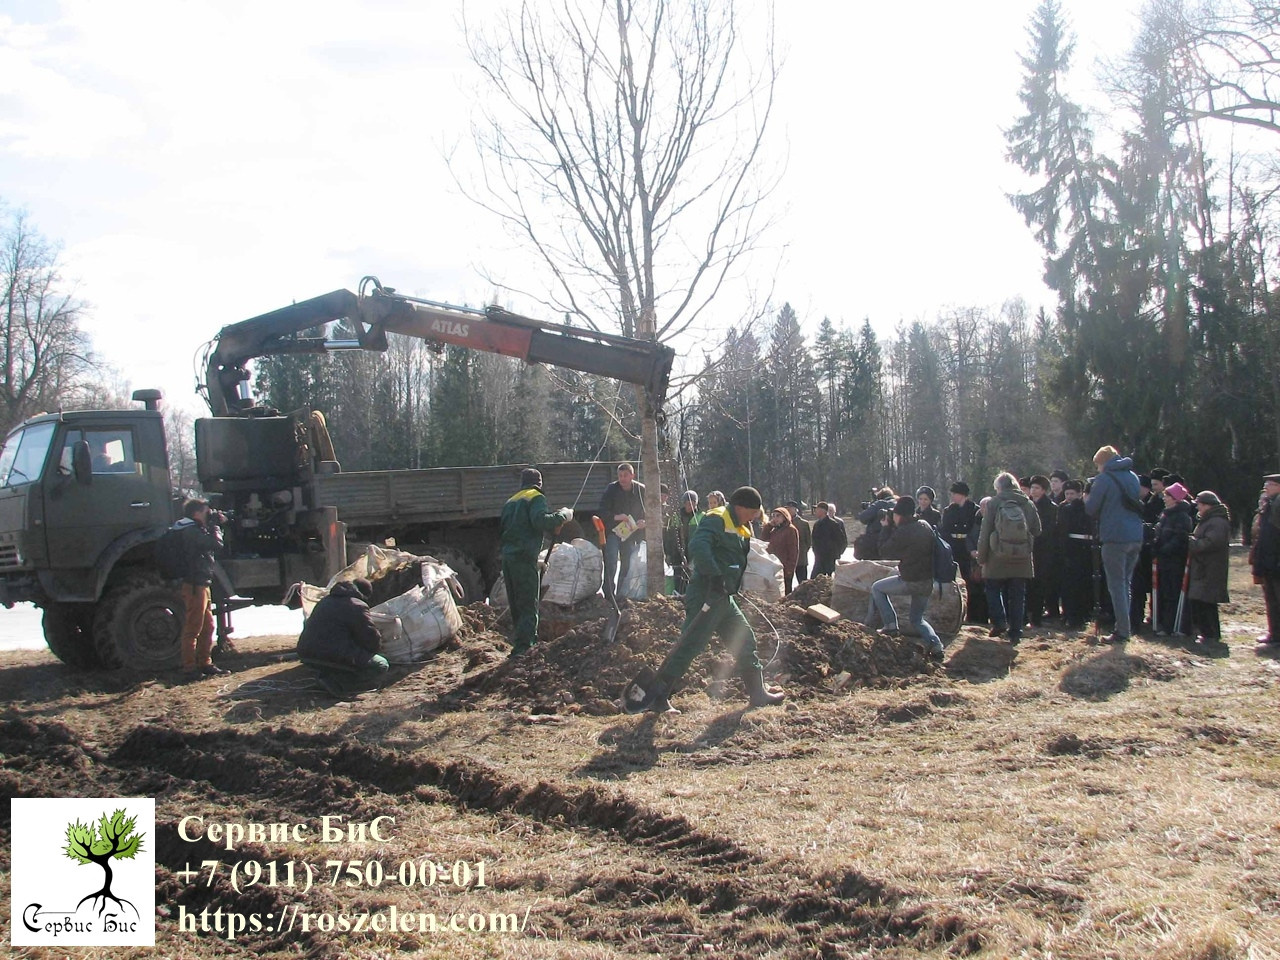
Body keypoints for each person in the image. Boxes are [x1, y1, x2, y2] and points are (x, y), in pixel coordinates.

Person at [643, 486, 784, 711]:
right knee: (690, 644)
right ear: (740, 507)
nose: (753, 518)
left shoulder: (739, 526)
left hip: (724, 597)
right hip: (706, 594)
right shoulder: (716, 519)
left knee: (744, 638)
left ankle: (758, 694)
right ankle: (658, 696)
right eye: (751, 512)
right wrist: (716, 576)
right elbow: (698, 546)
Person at [500, 468, 574, 657]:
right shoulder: (536, 497)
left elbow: (514, 529)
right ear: (539, 483)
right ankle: (525, 648)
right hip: (524, 559)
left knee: (517, 605)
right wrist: (563, 515)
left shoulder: (511, 501)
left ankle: (519, 643)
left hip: (509, 558)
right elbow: (540, 521)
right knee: (528, 604)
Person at [1084, 445, 1145, 644]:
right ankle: (1125, 626)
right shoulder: (1133, 477)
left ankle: (1122, 631)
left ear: (1103, 463)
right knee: (1125, 583)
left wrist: (1087, 498)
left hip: (1114, 536)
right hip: (1135, 535)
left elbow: (1092, 508)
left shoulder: (1104, 479)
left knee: (1116, 585)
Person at [871, 496, 945, 659]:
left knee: (877, 588)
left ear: (899, 515)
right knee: (917, 619)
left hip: (910, 581)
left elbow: (884, 551)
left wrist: (885, 528)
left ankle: (890, 625)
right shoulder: (924, 525)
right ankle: (936, 645)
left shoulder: (904, 531)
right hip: (927, 581)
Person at [977, 472, 1041, 647]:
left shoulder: (994, 503)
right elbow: (1037, 530)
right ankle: (1016, 632)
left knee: (992, 588)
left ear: (999, 487)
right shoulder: (1027, 503)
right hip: (1022, 556)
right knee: (1017, 595)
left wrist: (981, 557)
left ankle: (999, 622)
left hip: (996, 555)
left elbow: (985, 532)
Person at [296, 578, 390, 696]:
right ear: (364, 595)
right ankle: (341, 685)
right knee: (381, 664)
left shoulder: (325, 601)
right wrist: (375, 650)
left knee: (339, 658)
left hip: (306, 652)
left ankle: (326, 677)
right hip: (330, 654)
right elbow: (370, 636)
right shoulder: (357, 606)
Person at [172, 498, 229, 677]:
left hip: (202, 582)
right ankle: (189, 668)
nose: (209, 515)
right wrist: (216, 526)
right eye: (206, 512)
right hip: (194, 584)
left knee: (208, 626)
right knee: (193, 627)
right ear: (196, 513)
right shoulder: (189, 531)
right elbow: (216, 544)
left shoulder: (192, 529)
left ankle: (205, 663)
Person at [1186, 491, 1231, 652]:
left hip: (1210, 568)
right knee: (1201, 601)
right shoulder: (1208, 520)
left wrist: (1191, 542)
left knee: (1206, 602)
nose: (1197, 507)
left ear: (1207, 505)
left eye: (1199, 504)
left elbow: (1211, 543)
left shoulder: (1217, 522)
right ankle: (1206, 633)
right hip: (1203, 567)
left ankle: (1210, 634)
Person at [1153, 481, 1196, 635]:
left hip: (1175, 561)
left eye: (1167, 496)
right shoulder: (1165, 514)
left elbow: (1180, 539)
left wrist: (1164, 550)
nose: (1164, 498)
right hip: (1164, 560)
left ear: (1176, 499)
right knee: (1164, 592)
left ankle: (1173, 626)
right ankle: (1164, 623)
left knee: (1173, 592)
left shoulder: (1182, 517)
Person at [599, 463, 646, 601]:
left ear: (632, 476)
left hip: (631, 534)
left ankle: (621, 593)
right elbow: (602, 510)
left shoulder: (641, 490)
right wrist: (617, 517)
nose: (622, 479)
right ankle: (609, 595)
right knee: (611, 561)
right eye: (620, 476)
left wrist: (644, 522)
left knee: (627, 563)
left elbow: (649, 510)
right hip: (613, 532)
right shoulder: (611, 489)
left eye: (625, 475)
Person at [940, 481, 984, 623]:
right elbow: (945, 530)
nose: (952, 496)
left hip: (968, 548)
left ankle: (975, 614)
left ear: (962, 494)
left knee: (972, 581)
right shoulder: (949, 510)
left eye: (955, 493)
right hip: (954, 546)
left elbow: (976, 530)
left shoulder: (974, 510)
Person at [1058, 480, 1093, 629]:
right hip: (1073, 548)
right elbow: (1062, 531)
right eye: (1067, 493)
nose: (1069, 496)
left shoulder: (1089, 508)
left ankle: (1083, 614)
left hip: (1087, 548)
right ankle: (1071, 615)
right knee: (1071, 584)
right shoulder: (1065, 509)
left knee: (1084, 583)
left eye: (1072, 493)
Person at [1026, 475, 1060, 627]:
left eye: (1037, 488)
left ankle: (1037, 617)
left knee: (1040, 583)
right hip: (1028, 548)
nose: (1033, 490)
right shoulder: (1027, 505)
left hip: (1044, 550)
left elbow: (1049, 530)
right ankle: (1029, 615)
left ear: (1044, 490)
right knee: (1029, 583)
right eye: (1032, 487)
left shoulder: (1051, 508)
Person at [1252, 473, 1280, 650]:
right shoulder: (1268, 504)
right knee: (1271, 599)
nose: (1265, 488)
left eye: (1269, 484)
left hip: (1276, 560)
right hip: (1268, 559)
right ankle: (1274, 634)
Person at [664, 491, 701, 595]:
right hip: (677, 553)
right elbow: (670, 537)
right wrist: (669, 554)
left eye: (693, 503)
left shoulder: (701, 516)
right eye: (688, 503)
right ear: (684, 503)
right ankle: (679, 594)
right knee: (678, 577)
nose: (690, 506)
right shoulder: (676, 517)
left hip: (694, 553)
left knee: (693, 577)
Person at [762, 506, 800, 594]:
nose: (775, 518)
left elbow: (793, 551)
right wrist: (768, 526)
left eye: (778, 516)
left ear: (784, 517)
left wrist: (790, 569)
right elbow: (763, 540)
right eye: (773, 516)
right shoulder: (775, 530)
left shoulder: (790, 530)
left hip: (785, 568)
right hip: (773, 567)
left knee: (785, 592)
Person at [855, 487, 897, 559]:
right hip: (893, 541)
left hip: (875, 542)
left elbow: (863, 518)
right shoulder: (897, 504)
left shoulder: (880, 503)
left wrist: (872, 507)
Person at [811, 501, 847, 576]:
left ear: (823, 511)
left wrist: (837, 554)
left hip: (831, 558)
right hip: (819, 558)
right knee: (815, 578)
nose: (815, 511)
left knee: (832, 578)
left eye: (817, 509)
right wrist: (815, 551)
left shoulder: (833, 524)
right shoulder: (817, 524)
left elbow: (842, 541)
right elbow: (814, 540)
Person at [786, 500, 812, 583]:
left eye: (790, 508)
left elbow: (808, 541)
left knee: (802, 582)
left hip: (801, 559)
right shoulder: (783, 523)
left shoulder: (803, 524)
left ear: (795, 509)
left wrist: (803, 551)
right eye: (787, 509)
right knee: (787, 583)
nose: (788, 510)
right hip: (787, 560)